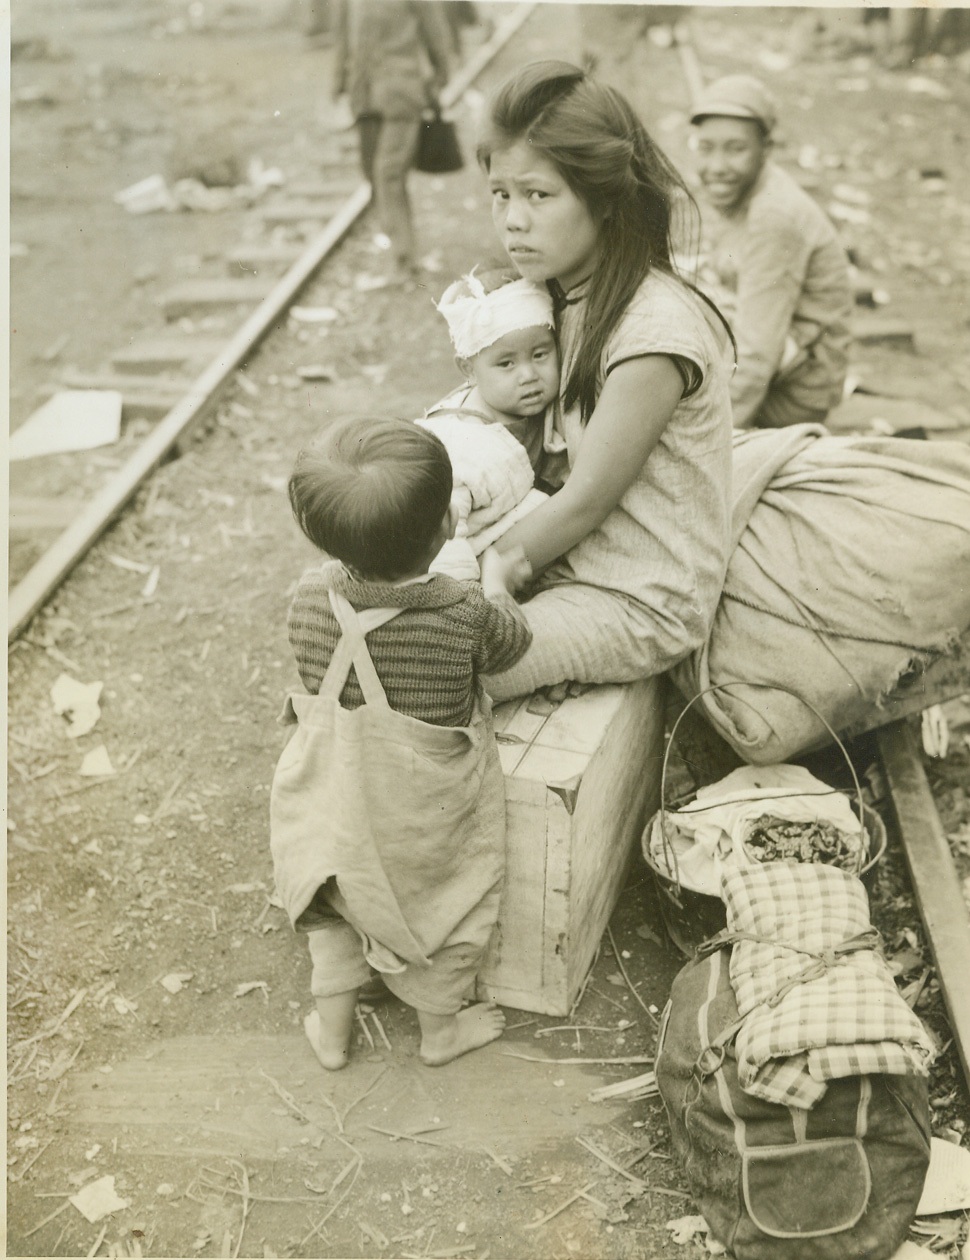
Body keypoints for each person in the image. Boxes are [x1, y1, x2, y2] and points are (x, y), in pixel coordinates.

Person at [270, 416, 532, 1070]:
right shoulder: (463, 613)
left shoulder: (308, 596)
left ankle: (332, 1037)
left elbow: (314, 673)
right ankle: (440, 1034)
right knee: (441, 908)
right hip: (418, 807)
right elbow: (512, 648)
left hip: (331, 795)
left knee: (333, 905)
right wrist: (498, 583)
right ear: (447, 525)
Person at [474, 60, 735, 703]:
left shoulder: (652, 330)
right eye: (501, 194)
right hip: (573, 561)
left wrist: (487, 571)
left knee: (429, 668)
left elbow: (588, 498)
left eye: (538, 195)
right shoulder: (560, 292)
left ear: (607, 199)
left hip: (638, 598)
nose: (512, 220)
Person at [687, 74, 853, 429]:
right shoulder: (743, 195)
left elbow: (757, 356)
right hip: (777, 358)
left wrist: (711, 438)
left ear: (766, 149)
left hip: (793, 393)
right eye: (706, 147)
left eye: (736, 148)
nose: (716, 166)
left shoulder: (774, 217)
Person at [332, 0, 453, 283]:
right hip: (363, 95)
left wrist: (440, 75)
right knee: (377, 176)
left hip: (401, 92)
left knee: (388, 173)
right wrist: (338, 84)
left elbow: (435, 30)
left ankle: (403, 260)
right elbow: (343, 38)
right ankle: (403, 252)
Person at [429, 266, 560, 471]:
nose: (528, 375)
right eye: (506, 363)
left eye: (539, 355)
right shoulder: (465, 436)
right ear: (468, 370)